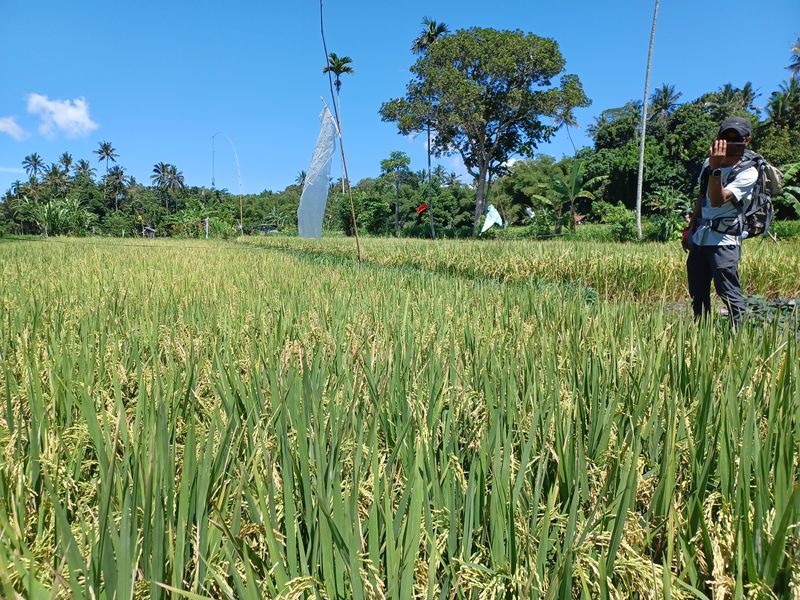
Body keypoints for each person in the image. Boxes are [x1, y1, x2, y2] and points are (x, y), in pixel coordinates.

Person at [684, 116, 758, 328]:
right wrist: (690, 230)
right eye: (727, 138)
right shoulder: (708, 163)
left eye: (737, 139)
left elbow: (717, 200)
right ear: (719, 139)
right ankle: (703, 334)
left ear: (747, 140)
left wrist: (716, 169)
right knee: (698, 292)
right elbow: (703, 197)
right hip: (701, 238)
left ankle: (739, 337)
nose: (731, 143)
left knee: (728, 293)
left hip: (724, 242)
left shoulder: (748, 172)